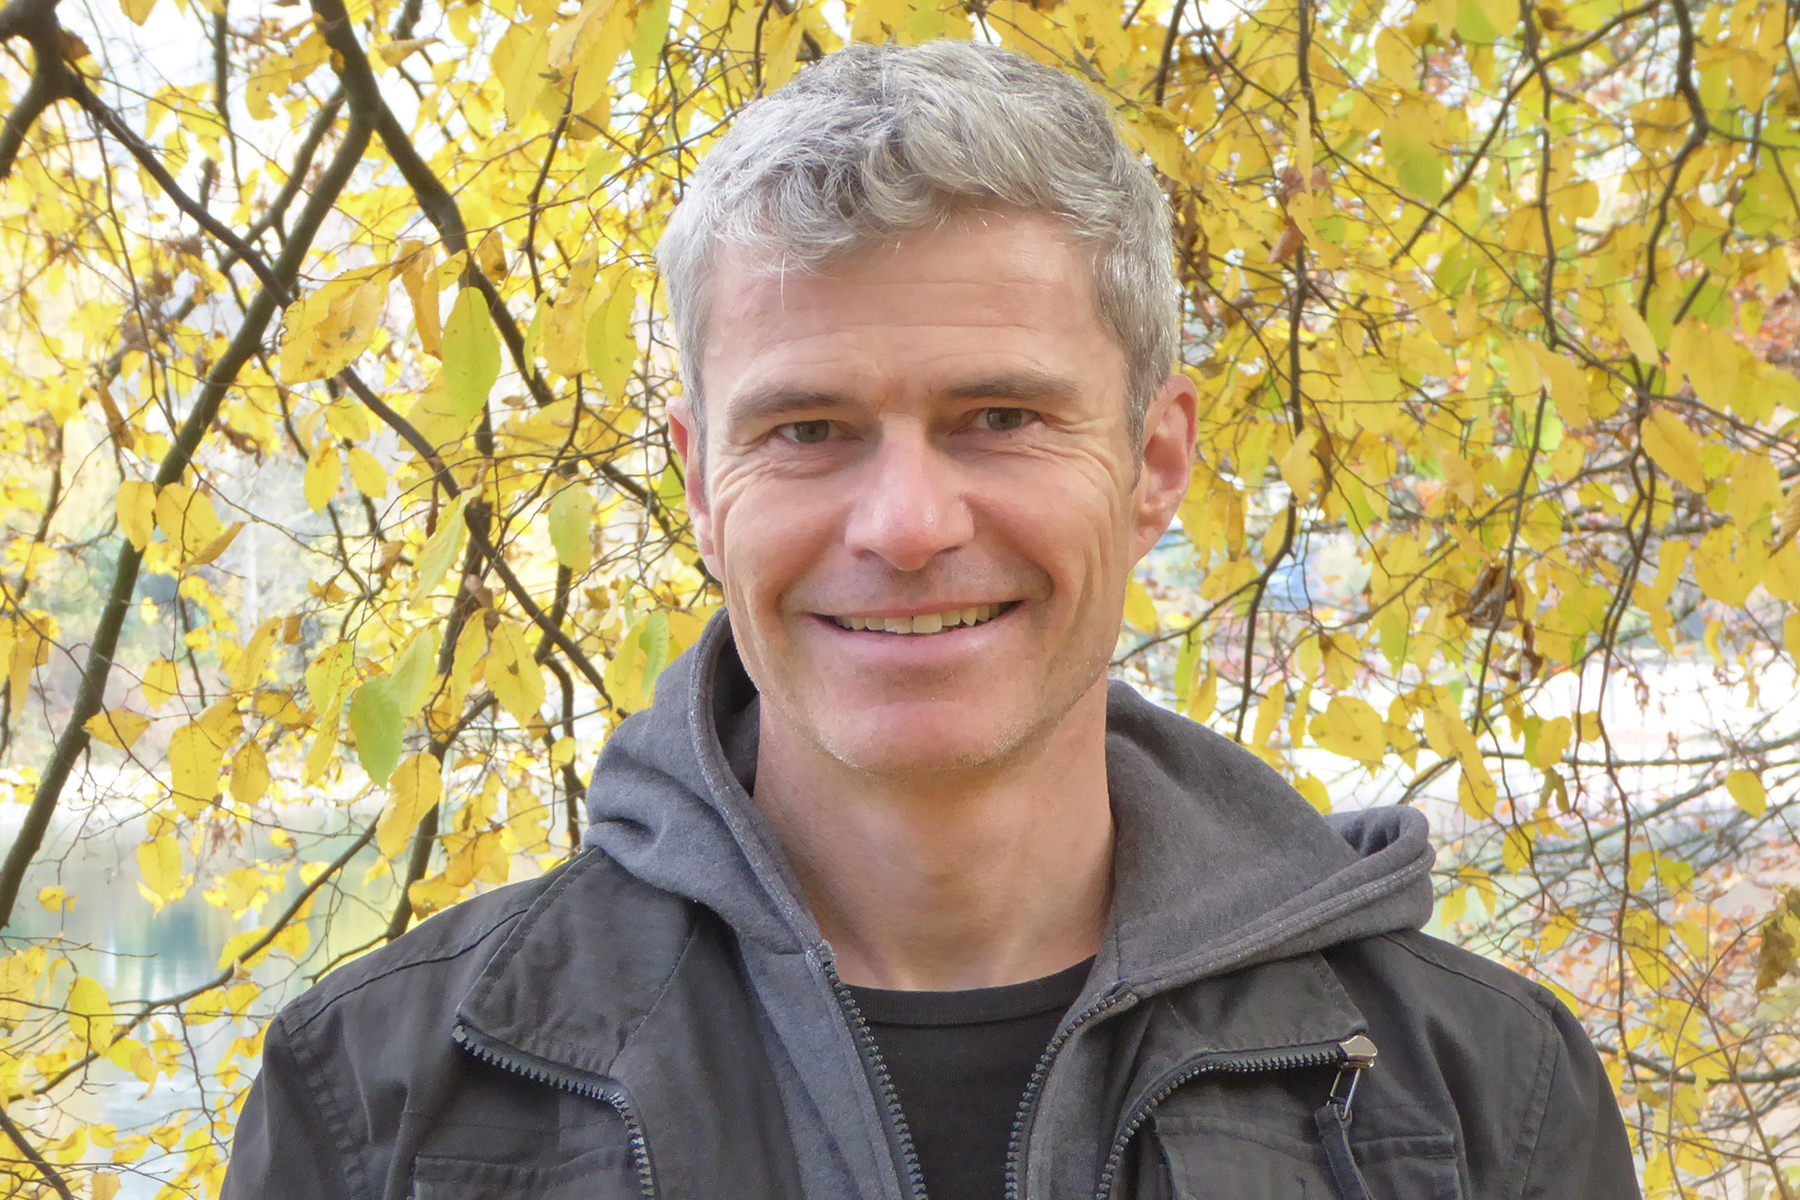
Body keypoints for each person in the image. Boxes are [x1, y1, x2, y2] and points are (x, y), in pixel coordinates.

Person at [222, 40, 1639, 1200]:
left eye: (1000, 417)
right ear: (700, 487)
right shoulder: (384, 1102)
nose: (904, 526)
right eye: (808, 430)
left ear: (1154, 462)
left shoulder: (1476, 1100)